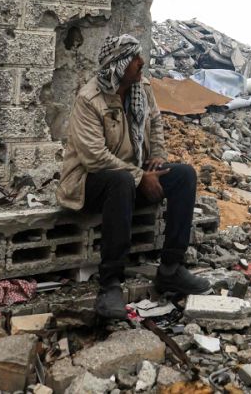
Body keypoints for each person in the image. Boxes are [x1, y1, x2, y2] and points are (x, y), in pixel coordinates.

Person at [57, 34, 211, 320]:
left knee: (184, 175)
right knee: (121, 180)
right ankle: (110, 283)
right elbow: (94, 158)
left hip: (133, 173)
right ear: (118, 66)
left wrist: (158, 159)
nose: (141, 63)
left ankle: (171, 269)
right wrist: (141, 176)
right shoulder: (89, 100)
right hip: (90, 182)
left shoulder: (142, 86)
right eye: (134, 59)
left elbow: (155, 123)